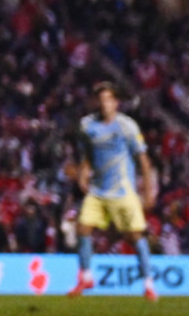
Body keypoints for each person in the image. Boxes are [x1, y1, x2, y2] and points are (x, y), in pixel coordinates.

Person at [67, 82, 159, 302]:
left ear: (116, 103)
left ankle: (148, 283)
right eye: (100, 99)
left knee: (135, 236)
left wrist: (148, 192)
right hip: (98, 190)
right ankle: (86, 277)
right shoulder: (87, 125)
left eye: (108, 99)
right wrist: (83, 173)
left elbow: (143, 161)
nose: (104, 104)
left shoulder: (127, 126)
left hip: (123, 191)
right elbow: (88, 154)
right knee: (82, 228)